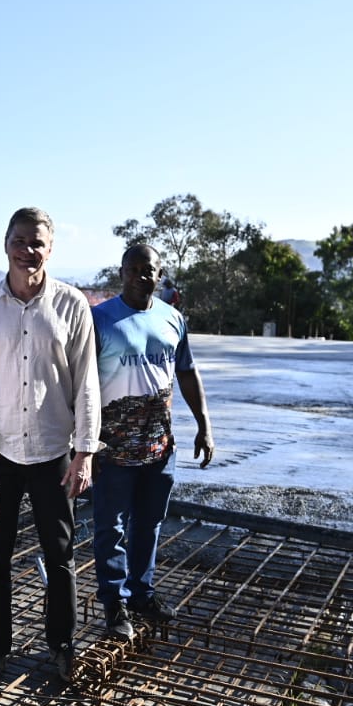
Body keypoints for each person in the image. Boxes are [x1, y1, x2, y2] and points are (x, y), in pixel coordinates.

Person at [0, 207, 100, 688]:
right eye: (20, 241)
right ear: (5, 243)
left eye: (37, 242)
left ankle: (61, 646)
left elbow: (86, 383)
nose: (28, 250)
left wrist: (85, 451)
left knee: (60, 552)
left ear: (51, 247)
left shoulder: (71, 305)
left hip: (51, 449)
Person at [91, 244, 214, 640]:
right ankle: (115, 604)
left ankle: (142, 593)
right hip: (112, 449)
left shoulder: (173, 319)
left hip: (160, 448)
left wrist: (204, 425)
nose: (143, 276)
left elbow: (188, 374)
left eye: (151, 271)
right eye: (135, 269)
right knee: (111, 528)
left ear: (160, 276)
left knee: (150, 524)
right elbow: (80, 385)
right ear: (122, 271)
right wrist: (84, 443)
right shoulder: (100, 320)